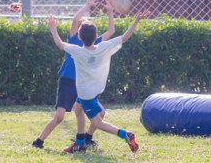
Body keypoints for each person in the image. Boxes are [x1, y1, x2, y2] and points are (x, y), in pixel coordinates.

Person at [46, 10, 150, 154]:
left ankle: (124, 134)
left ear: (80, 37)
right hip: (95, 90)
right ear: (96, 37)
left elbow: (59, 43)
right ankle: (80, 143)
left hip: (85, 94)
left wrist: (53, 28)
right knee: (77, 109)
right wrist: (136, 21)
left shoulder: (77, 51)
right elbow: (124, 37)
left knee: (97, 123)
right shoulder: (103, 47)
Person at [32, 0, 116, 151]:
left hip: (83, 84)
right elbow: (75, 20)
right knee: (59, 117)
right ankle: (39, 141)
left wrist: (110, 12)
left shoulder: (95, 43)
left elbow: (111, 31)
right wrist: (87, 5)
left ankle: (87, 139)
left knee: (101, 113)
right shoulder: (73, 40)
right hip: (67, 80)